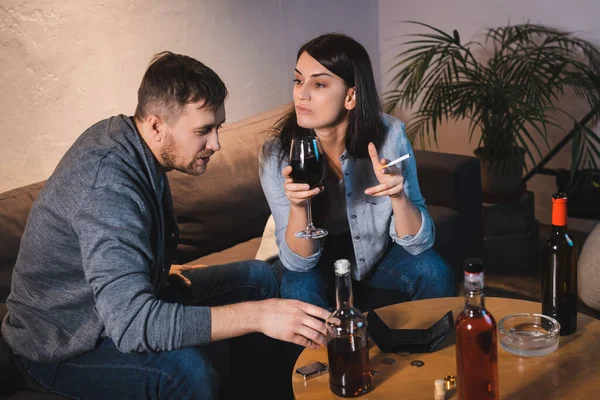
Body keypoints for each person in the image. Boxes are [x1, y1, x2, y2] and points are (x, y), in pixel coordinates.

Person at [1, 51, 330, 400]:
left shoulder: (132, 139)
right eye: (203, 131)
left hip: (119, 305)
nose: (215, 143)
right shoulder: (107, 184)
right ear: (157, 125)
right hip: (64, 343)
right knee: (185, 372)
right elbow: (132, 325)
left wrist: (151, 271)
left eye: (217, 127)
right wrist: (258, 316)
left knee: (259, 278)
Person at [259, 33, 455, 312]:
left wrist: (399, 197)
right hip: (316, 259)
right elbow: (298, 263)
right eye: (298, 80)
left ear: (351, 96)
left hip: (375, 254)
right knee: (297, 285)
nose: (301, 93)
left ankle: (432, 353)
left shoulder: (390, 135)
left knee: (433, 271)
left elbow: (420, 243)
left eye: (319, 83)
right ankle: (325, 357)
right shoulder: (277, 154)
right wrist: (299, 207)